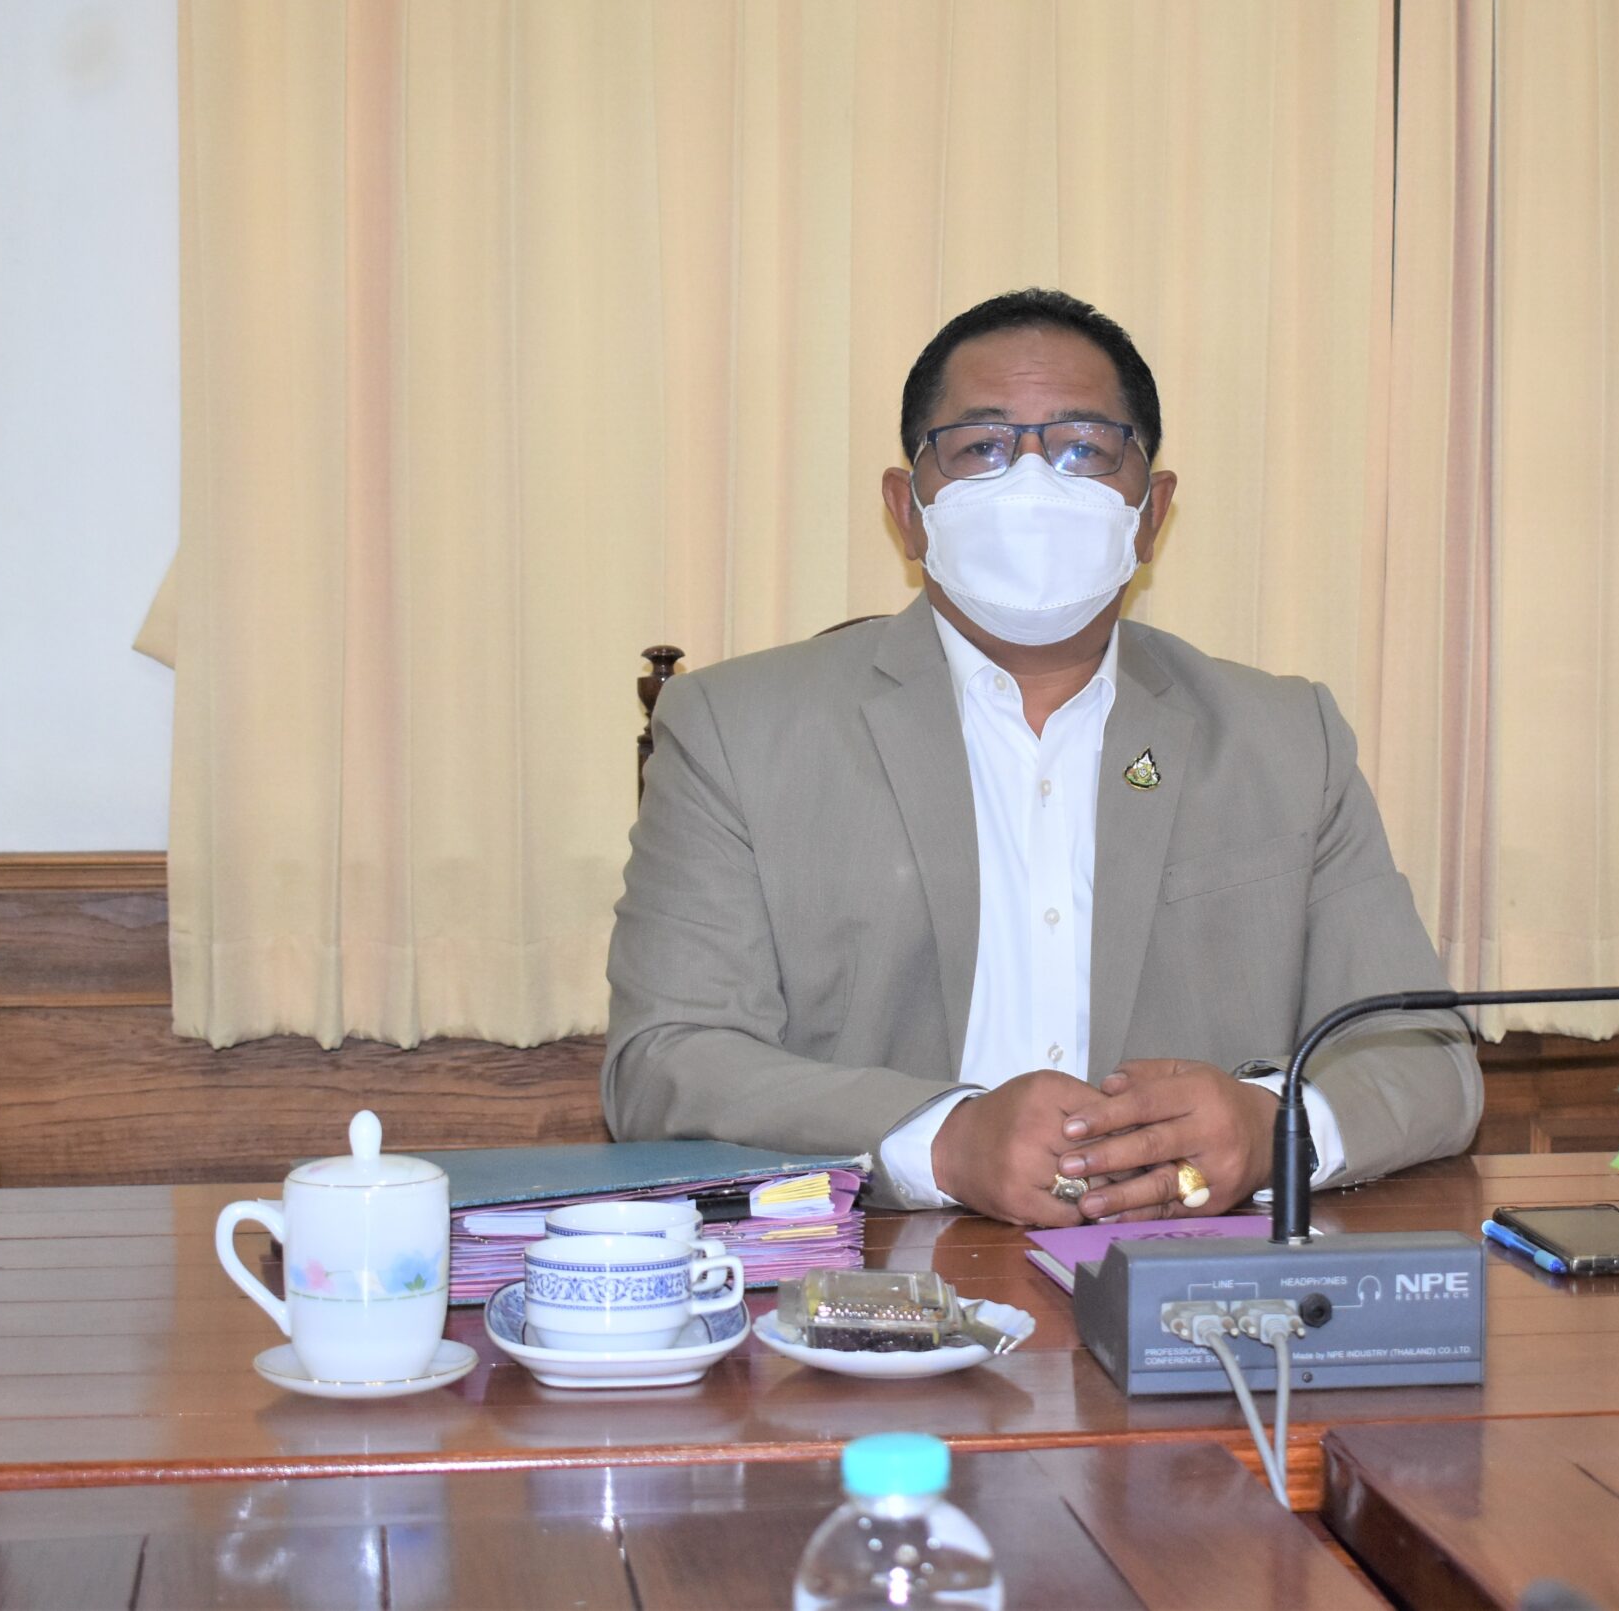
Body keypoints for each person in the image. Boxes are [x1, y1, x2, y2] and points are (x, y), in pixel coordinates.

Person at [602, 289, 1480, 1226]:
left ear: (1151, 513)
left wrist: (1277, 1129)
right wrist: (943, 1140)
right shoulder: (738, 730)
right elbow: (665, 1060)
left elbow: (1426, 1060)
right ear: (908, 509)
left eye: (1083, 449)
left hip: (1187, 1270)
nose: (1031, 483)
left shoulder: (1284, 739)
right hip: (879, 1268)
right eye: (981, 447)